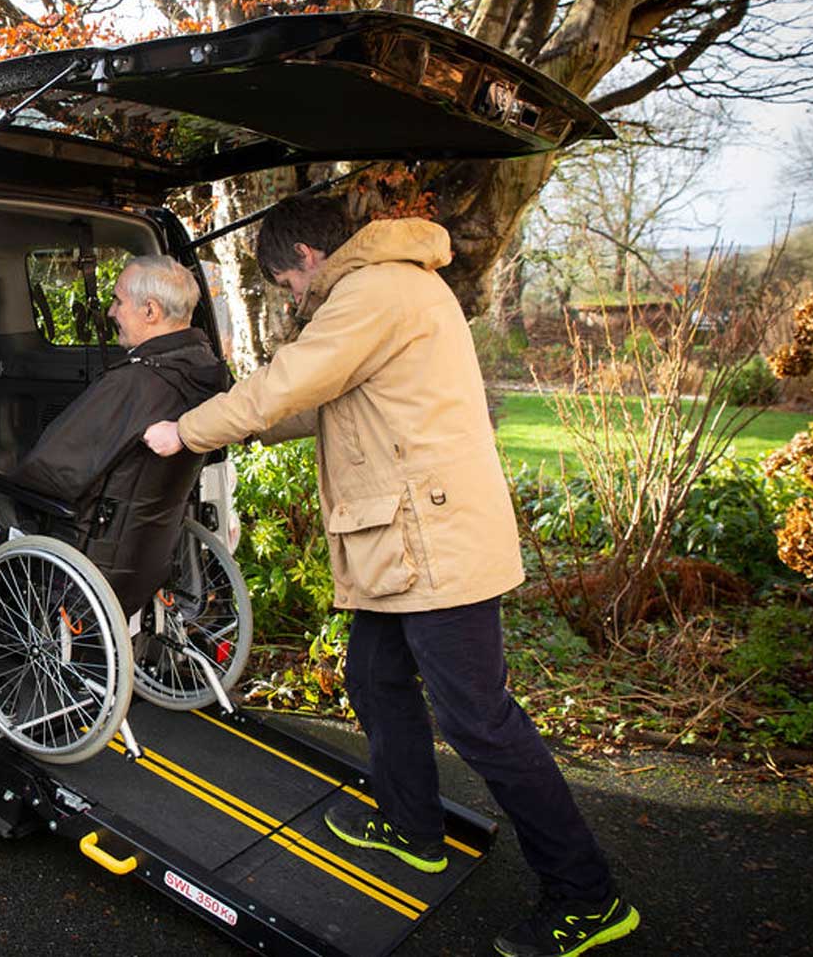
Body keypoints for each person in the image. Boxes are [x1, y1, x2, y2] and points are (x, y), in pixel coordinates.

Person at [142, 195, 638, 957]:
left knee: (480, 720)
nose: (294, 302)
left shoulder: (371, 292)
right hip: (404, 541)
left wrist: (187, 430)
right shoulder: (385, 291)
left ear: (307, 259)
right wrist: (232, 423)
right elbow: (315, 403)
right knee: (374, 677)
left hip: (432, 540)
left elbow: (292, 378)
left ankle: (588, 895)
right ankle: (412, 828)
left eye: (287, 287)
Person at [0, 254, 227, 613]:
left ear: (150, 311)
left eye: (119, 300)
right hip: (146, 558)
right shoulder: (208, 376)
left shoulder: (133, 384)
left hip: (88, 548)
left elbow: (52, 473)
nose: (112, 312)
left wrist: (18, 478)